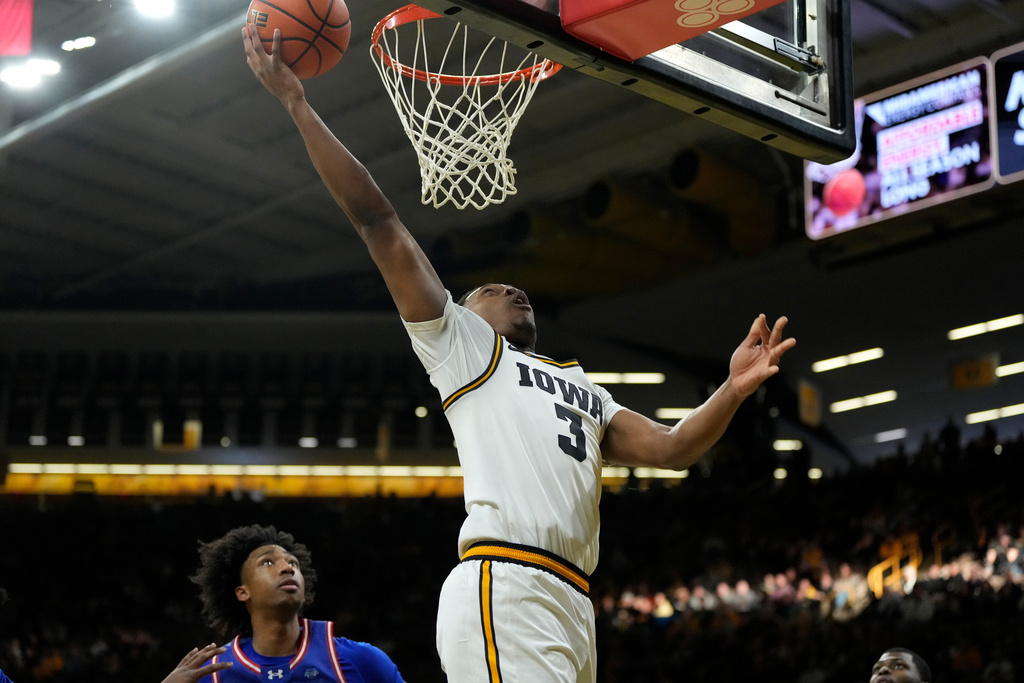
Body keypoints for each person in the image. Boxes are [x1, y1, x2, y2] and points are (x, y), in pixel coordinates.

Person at [242, 24, 795, 683]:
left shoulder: (585, 388)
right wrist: (297, 105)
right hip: (505, 582)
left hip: (571, 599)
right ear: (463, 316)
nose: (510, 287)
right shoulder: (462, 347)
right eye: (487, 289)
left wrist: (732, 389)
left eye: (513, 285)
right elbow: (378, 222)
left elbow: (673, 448)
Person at [186, 524, 403, 682]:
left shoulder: (362, 660)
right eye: (268, 562)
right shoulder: (210, 673)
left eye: (293, 563)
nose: (288, 568)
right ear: (243, 592)